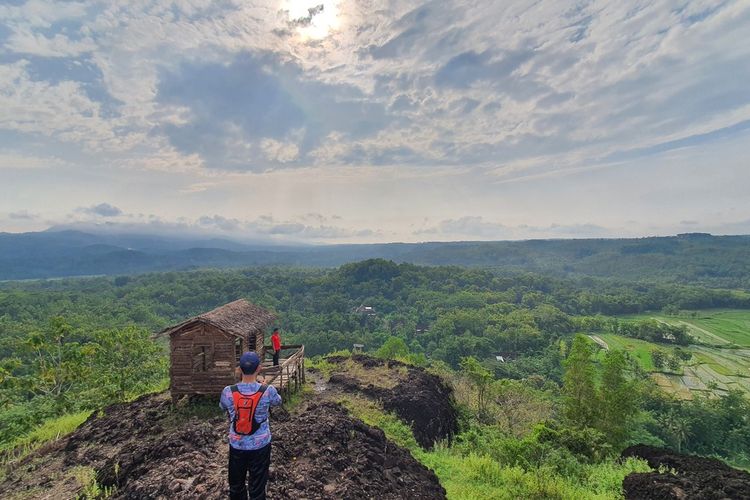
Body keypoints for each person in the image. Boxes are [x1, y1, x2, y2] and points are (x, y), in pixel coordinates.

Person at [220, 351, 282, 500]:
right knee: (258, 487)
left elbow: (222, 407)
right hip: (261, 445)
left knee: (236, 486)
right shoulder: (267, 391)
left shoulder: (228, 391)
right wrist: (265, 387)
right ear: (259, 368)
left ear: (240, 369)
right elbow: (278, 401)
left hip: (237, 445)